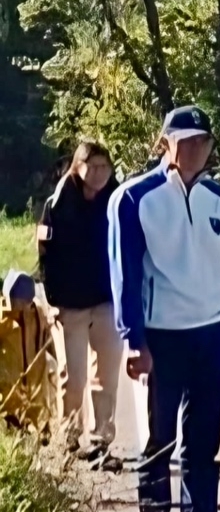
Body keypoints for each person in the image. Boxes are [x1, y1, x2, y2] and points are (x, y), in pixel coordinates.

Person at [112, 107, 220, 512]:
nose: (195, 149)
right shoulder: (136, 198)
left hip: (212, 334)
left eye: (203, 141)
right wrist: (134, 339)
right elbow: (126, 273)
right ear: (165, 143)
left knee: (202, 442)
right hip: (161, 338)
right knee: (158, 442)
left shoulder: (219, 199)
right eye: (185, 140)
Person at [37, 142, 119, 464]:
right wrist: (53, 296)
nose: (99, 173)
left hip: (106, 299)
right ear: (78, 167)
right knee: (74, 376)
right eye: (92, 166)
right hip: (69, 303)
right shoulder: (58, 203)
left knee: (107, 372)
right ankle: (69, 436)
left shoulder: (117, 200)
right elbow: (45, 252)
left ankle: (101, 438)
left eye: (104, 166)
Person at [0, 274, 56, 442]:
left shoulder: (36, 314)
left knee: (40, 392)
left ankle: (42, 426)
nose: (24, 306)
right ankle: (14, 423)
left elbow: (48, 334)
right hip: (10, 370)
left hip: (34, 368)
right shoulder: (4, 317)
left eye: (27, 302)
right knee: (10, 394)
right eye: (20, 302)